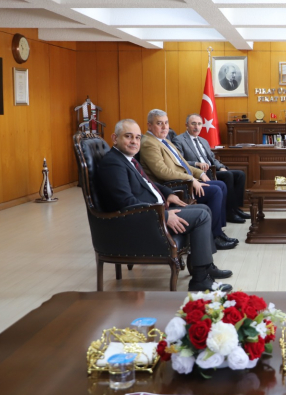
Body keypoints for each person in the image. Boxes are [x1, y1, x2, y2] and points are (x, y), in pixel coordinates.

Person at [95, 119, 233, 292]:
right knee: (202, 215)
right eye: (128, 136)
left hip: (152, 211)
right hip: (140, 221)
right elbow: (125, 203)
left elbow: (147, 182)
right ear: (115, 138)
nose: (134, 141)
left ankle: (206, 266)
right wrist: (165, 216)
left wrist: (168, 193)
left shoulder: (126, 159)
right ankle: (200, 279)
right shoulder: (113, 163)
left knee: (203, 209)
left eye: (137, 137)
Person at [140, 109, 237, 250]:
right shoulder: (149, 143)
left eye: (166, 123)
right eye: (159, 123)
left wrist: (200, 174)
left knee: (221, 185)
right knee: (215, 191)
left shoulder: (165, 141)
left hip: (183, 181)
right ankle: (214, 237)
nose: (164, 127)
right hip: (173, 187)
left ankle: (218, 232)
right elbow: (162, 172)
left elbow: (183, 164)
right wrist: (191, 179)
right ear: (149, 125)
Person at [174, 114, 250, 223]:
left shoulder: (203, 140)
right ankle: (229, 212)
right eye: (193, 124)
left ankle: (236, 208)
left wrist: (221, 167)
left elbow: (213, 159)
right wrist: (197, 163)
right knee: (228, 175)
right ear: (186, 125)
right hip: (200, 173)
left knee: (240, 174)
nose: (196, 127)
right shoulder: (179, 140)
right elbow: (179, 161)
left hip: (213, 169)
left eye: (199, 124)